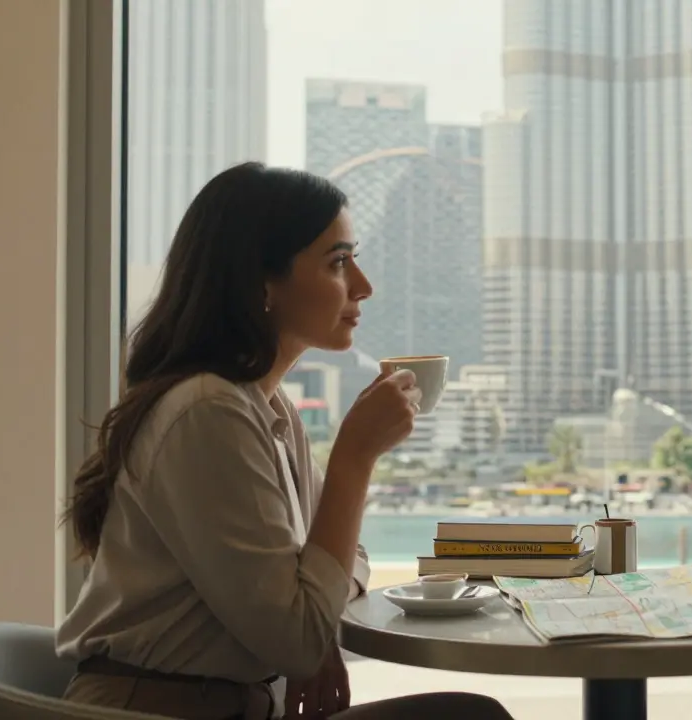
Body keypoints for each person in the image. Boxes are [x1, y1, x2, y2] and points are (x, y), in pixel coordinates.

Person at [57, 162, 514, 720]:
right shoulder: (208, 413)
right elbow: (298, 638)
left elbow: (348, 562)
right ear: (262, 284)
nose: (364, 286)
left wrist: (312, 616)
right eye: (338, 262)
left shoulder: (268, 409)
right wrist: (354, 457)